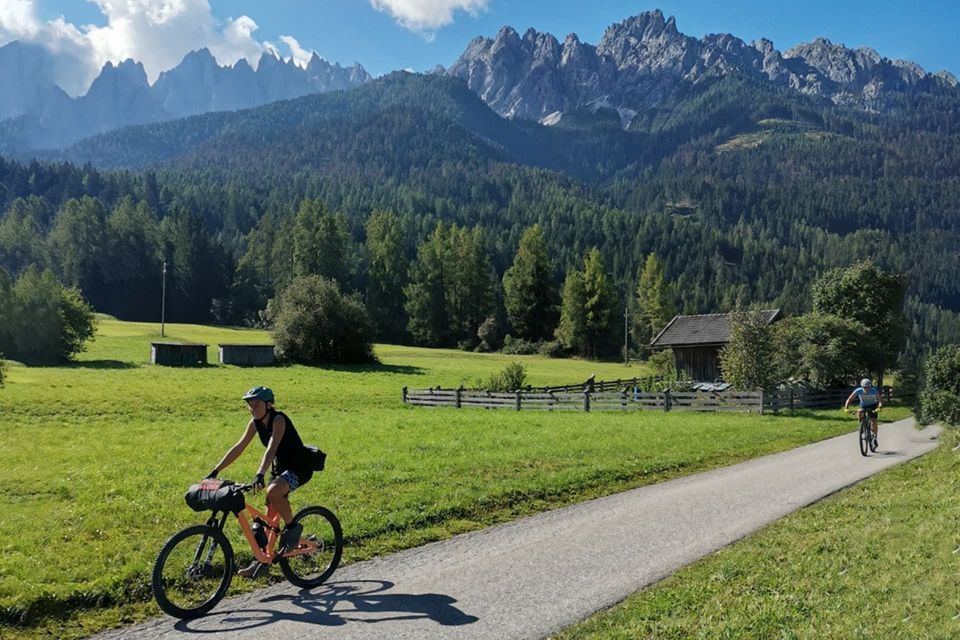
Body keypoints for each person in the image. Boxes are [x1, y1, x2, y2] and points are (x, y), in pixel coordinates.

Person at [208, 386, 313, 578]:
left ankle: (292, 528)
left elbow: (272, 448)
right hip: (280, 469)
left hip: (299, 467)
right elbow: (238, 447)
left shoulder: (279, 420)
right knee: (268, 522)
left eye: (257, 404)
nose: (252, 408)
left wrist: (260, 473)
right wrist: (216, 470)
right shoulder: (255, 423)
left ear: (269, 404)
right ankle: (263, 561)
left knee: (273, 491)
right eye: (249, 405)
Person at [844, 378, 883, 448]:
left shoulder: (874, 391)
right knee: (859, 412)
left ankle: (875, 438)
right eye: (865, 387)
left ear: (870, 387)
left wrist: (879, 407)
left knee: (873, 421)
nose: (866, 389)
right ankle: (861, 424)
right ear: (862, 387)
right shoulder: (858, 391)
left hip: (873, 406)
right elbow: (850, 399)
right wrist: (846, 408)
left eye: (868, 387)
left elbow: (880, 400)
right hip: (863, 405)